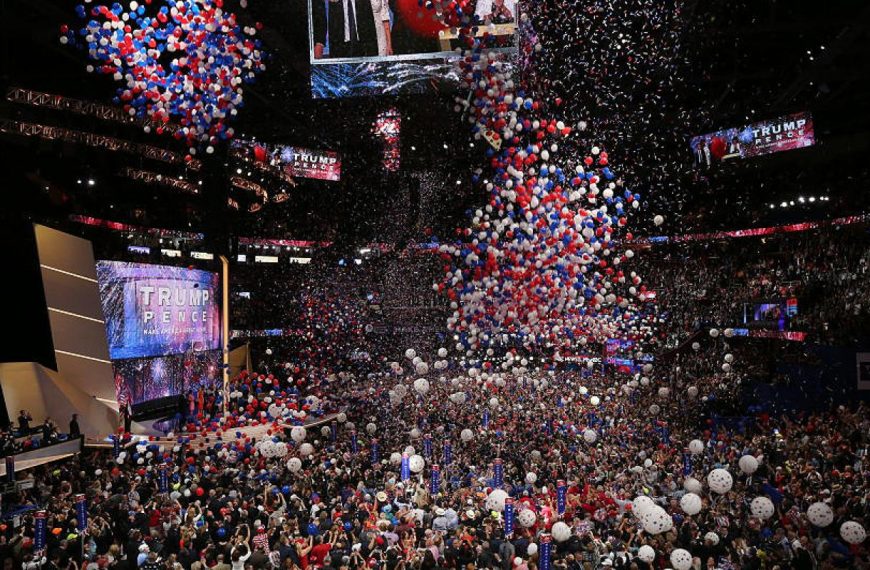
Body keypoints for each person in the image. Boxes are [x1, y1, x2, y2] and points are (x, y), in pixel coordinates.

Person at [312, 0, 379, 59]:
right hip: (342, 49)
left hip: (362, 48)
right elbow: (331, 33)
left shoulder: (364, 2)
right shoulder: (333, 4)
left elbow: (371, 31)